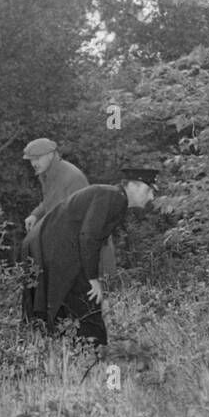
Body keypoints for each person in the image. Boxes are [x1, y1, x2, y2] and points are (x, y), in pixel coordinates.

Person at [23, 169, 158, 346]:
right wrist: (92, 278)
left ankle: (71, 355)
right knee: (86, 303)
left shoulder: (114, 197)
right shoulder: (113, 197)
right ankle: (94, 356)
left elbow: (90, 240)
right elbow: (88, 237)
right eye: (149, 190)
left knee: (65, 308)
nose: (151, 198)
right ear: (132, 185)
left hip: (48, 249)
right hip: (50, 250)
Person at [16, 137, 115, 304]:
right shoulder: (47, 174)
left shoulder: (71, 177)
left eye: (37, 158)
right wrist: (36, 214)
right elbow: (51, 202)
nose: (33, 163)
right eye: (31, 160)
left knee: (97, 301)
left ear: (50, 155)